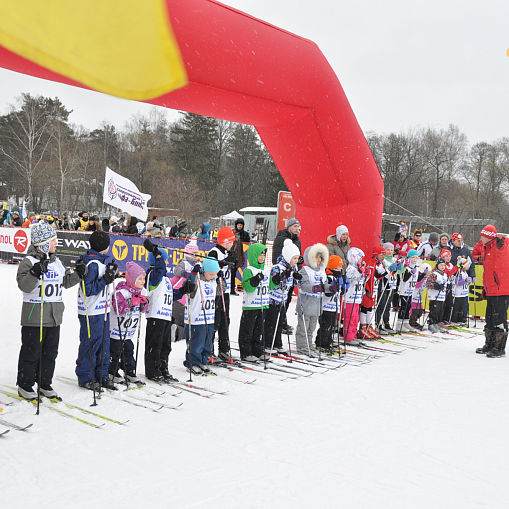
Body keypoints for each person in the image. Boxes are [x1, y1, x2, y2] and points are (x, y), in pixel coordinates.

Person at [16, 222, 85, 400]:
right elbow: (24, 286)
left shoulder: (57, 262)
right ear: (43, 243)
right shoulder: (28, 262)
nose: (56, 243)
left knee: (50, 353)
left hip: (54, 318)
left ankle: (44, 383)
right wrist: (34, 272)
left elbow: (66, 282)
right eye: (53, 240)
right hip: (34, 317)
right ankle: (25, 384)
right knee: (31, 352)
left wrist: (78, 273)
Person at [143, 239, 194, 382]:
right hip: (155, 317)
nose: (167, 263)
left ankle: (162, 368)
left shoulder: (165, 278)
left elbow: (171, 295)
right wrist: (157, 255)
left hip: (166, 316)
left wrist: (183, 290)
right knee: (155, 345)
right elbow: (159, 268)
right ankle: (153, 369)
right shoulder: (153, 275)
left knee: (165, 345)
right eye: (165, 260)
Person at [76, 231, 118, 391]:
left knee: (104, 344)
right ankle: (86, 376)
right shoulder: (92, 264)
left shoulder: (100, 262)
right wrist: (105, 280)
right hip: (91, 311)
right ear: (104, 247)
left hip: (103, 309)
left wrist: (110, 275)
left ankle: (102, 375)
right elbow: (87, 289)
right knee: (90, 344)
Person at [109, 262, 149, 384]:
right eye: (140, 279)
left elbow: (144, 310)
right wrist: (130, 302)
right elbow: (118, 308)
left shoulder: (142, 291)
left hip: (129, 330)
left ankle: (130, 371)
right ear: (131, 279)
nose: (143, 281)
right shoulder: (122, 292)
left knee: (128, 351)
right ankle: (112, 371)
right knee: (115, 352)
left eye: (144, 279)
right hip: (116, 330)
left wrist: (144, 303)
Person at [476, 225, 509, 357]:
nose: (481, 238)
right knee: (489, 319)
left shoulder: (498, 246)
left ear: (489, 236)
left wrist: (501, 238)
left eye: (483, 235)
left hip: (501, 290)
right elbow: (488, 273)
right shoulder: (487, 249)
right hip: (491, 290)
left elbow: (504, 242)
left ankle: (499, 348)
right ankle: (489, 344)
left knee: (499, 319)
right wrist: (485, 288)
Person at [265, 239, 302, 354]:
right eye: (294, 258)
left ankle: (277, 343)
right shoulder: (277, 267)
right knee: (271, 322)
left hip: (283, 300)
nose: (296, 261)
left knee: (280, 322)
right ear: (287, 256)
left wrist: (296, 278)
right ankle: (267, 343)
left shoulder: (293, 268)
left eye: (297, 258)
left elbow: (292, 285)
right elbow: (273, 284)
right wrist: (282, 276)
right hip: (272, 299)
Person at [183, 257, 219, 375]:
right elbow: (188, 286)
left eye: (215, 274)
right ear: (204, 271)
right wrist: (193, 274)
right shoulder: (198, 280)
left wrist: (221, 278)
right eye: (210, 274)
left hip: (209, 318)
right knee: (196, 343)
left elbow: (220, 290)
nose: (212, 276)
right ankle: (192, 362)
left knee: (207, 342)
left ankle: (204, 360)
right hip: (195, 318)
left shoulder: (213, 282)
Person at [295, 243, 331, 354]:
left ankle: (309, 344)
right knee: (303, 327)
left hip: (316, 304)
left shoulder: (322, 271)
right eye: (316, 257)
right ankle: (302, 345)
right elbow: (304, 285)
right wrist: (315, 288)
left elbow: (324, 285)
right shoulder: (305, 270)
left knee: (312, 327)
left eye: (320, 258)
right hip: (306, 303)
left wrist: (331, 288)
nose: (319, 260)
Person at [207, 226, 237, 361]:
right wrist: (222, 264)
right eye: (231, 242)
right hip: (216, 292)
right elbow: (209, 270)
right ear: (225, 241)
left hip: (225, 291)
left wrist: (233, 261)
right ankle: (209, 350)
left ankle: (224, 349)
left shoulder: (227, 252)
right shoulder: (214, 252)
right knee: (215, 321)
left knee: (226, 321)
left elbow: (234, 264)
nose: (233, 244)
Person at [238, 243, 271, 361]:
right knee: (248, 330)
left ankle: (258, 350)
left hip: (262, 305)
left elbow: (270, 285)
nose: (261, 257)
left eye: (263, 255)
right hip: (251, 305)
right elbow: (248, 287)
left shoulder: (266, 270)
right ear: (253, 255)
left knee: (259, 330)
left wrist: (278, 278)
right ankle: (246, 352)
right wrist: (255, 280)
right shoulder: (249, 270)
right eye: (259, 255)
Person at [272, 217, 302, 333]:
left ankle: (283, 320)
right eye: (295, 226)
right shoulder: (281, 238)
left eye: (298, 226)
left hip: (293, 272)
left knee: (288, 298)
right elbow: (276, 256)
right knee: (280, 298)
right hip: (283, 272)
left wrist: (298, 264)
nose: (297, 229)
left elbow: (297, 257)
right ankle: (278, 321)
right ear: (289, 227)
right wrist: (282, 269)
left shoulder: (297, 240)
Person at [315, 255, 343, 351]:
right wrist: (333, 288)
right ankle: (321, 343)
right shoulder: (329, 277)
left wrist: (342, 288)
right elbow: (327, 292)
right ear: (334, 267)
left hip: (333, 306)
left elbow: (339, 292)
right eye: (339, 267)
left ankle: (328, 341)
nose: (341, 269)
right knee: (326, 325)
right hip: (326, 306)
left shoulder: (336, 277)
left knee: (332, 325)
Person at [358, 246, 388, 339]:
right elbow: (375, 276)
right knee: (365, 308)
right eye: (381, 254)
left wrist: (391, 271)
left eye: (384, 255)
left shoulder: (380, 264)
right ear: (376, 254)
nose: (383, 257)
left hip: (374, 290)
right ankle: (363, 328)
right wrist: (367, 289)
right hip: (368, 290)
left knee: (370, 308)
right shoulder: (370, 264)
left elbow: (381, 276)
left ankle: (369, 326)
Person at [343, 247, 366, 345]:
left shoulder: (357, 268)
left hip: (357, 298)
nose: (361, 260)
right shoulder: (350, 269)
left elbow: (361, 282)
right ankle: (348, 336)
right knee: (350, 317)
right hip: (350, 298)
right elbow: (351, 281)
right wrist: (359, 273)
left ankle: (353, 334)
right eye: (360, 258)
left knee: (355, 318)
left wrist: (366, 275)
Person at [396, 249, 420, 332]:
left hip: (410, 292)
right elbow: (405, 278)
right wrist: (411, 273)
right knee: (403, 307)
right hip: (403, 291)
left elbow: (417, 279)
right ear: (409, 258)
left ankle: (406, 322)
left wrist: (424, 274)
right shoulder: (406, 267)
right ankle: (399, 324)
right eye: (413, 257)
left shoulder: (416, 267)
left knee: (408, 307)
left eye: (416, 258)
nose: (414, 259)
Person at [376, 243, 397, 335]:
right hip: (384, 285)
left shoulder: (394, 259)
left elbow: (398, 271)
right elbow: (384, 272)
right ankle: (378, 324)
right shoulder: (383, 261)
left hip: (392, 284)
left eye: (391, 250)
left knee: (388, 306)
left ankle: (386, 323)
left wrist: (398, 268)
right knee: (381, 304)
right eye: (387, 250)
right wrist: (391, 270)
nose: (389, 252)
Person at [426, 256, 449, 333]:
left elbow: (446, 283)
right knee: (434, 311)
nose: (442, 267)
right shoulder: (434, 274)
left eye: (444, 265)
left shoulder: (445, 274)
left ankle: (438, 323)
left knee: (440, 311)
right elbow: (428, 284)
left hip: (442, 296)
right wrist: (436, 286)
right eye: (441, 265)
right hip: (434, 296)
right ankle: (432, 323)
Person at [231, 218, 250, 294]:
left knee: (240, 271)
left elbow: (247, 243)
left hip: (241, 256)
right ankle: (231, 288)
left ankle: (239, 286)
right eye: (238, 225)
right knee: (232, 273)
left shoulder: (245, 234)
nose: (239, 226)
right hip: (233, 255)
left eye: (241, 225)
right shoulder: (232, 233)